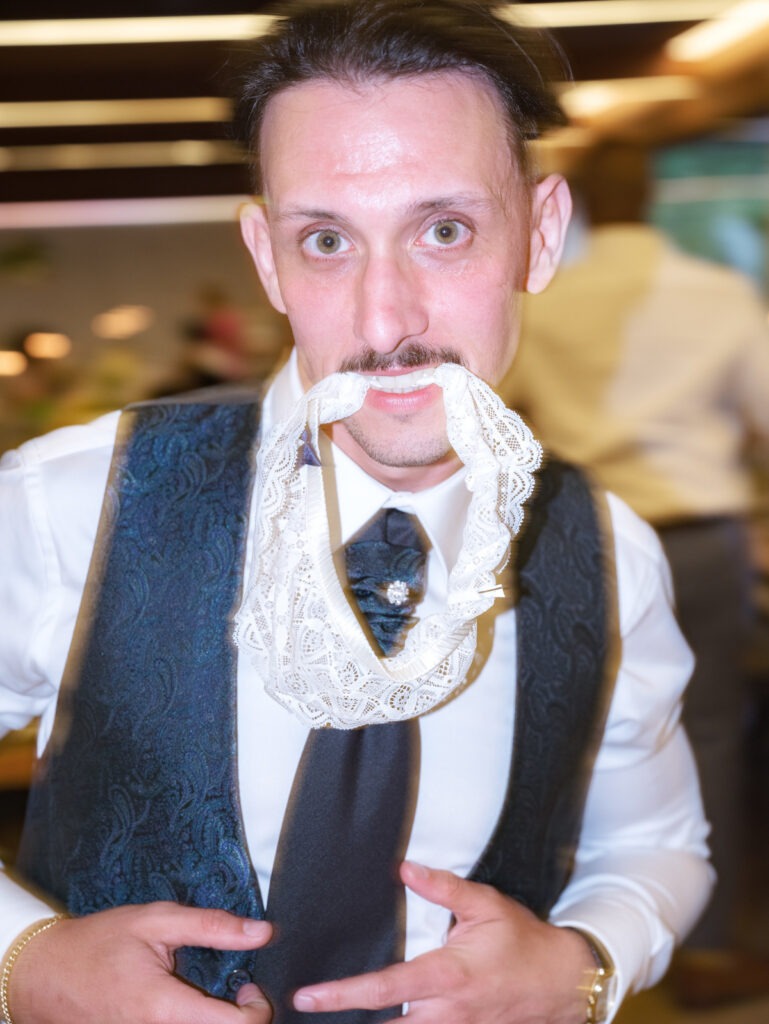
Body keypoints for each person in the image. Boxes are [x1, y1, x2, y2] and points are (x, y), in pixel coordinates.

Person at [0, 4, 712, 1024]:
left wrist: (584, 965)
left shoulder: (608, 552)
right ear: (266, 257)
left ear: (541, 233)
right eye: (327, 240)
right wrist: (21, 962)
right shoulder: (74, 502)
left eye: (444, 231)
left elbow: (653, 843)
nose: (387, 322)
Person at [502, 140, 769, 1006]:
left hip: (581, 536)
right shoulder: (717, 293)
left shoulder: (546, 301)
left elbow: (507, 414)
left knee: (573, 734)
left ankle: (566, 933)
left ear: (577, 200)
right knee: (710, 732)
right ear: (652, 192)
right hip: (696, 536)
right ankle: (707, 950)